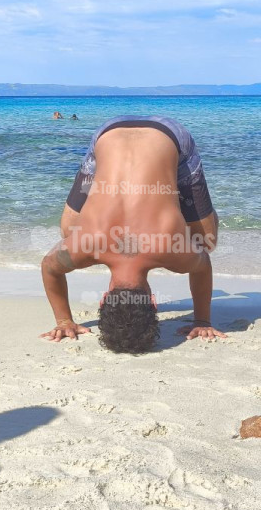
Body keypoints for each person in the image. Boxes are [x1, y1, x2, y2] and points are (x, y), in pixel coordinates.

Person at [40, 116, 225, 352]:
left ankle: (171, 185)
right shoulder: (86, 245)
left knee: (205, 242)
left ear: (153, 302)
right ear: (104, 297)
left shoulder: (171, 251)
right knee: (69, 234)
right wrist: (64, 320)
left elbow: (202, 264)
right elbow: (49, 267)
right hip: (108, 133)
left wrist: (202, 321)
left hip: (170, 138)